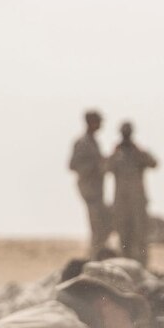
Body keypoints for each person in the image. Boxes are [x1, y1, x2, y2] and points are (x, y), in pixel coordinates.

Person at [106, 121, 157, 265]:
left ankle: (142, 266)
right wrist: (115, 153)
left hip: (137, 201)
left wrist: (138, 151)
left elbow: (153, 163)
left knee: (140, 236)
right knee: (124, 237)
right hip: (122, 203)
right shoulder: (117, 154)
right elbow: (105, 168)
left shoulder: (137, 153)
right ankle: (125, 265)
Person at [69, 110, 112, 257]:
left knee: (102, 224)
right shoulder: (83, 143)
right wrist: (95, 166)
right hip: (90, 191)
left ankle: (96, 254)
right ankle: (93, 256)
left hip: (96, 191)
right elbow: (73, 165)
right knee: (98, 226)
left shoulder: (93, 142)